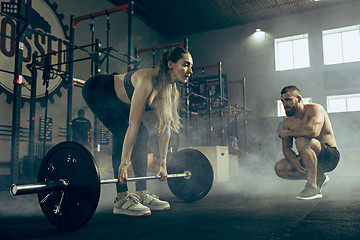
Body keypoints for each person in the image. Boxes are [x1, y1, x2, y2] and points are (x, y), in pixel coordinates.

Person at [82, 46, 193, 216]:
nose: (190, 70)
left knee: (143, 134)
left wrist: (163, 164)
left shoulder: (169, 91)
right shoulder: (148, 80)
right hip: (99, 88)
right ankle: (121, 198)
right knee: (123, 130)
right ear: (170, 64)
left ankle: (142, 193)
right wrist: (124, 164)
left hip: (119, 100)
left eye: (191, 66)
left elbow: (164, 129)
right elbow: (132, 125)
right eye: (186, 65)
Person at [274, 85, 340, 200]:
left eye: (288, 100)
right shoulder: (287, 121)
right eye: (283, 101)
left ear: (299, 99)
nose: (285, 104)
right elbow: (286, 148)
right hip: (308, 157)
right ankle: (319, 178)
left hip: (329, 157)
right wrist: (293, 159)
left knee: (301, 140)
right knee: (280, 167)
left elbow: (313, 131)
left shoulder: (315, 109)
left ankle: (312, 187)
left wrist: (289, 133)